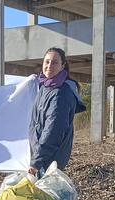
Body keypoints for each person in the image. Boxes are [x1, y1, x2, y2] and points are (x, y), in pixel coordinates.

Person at [27, 47, 86, 176]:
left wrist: (36, 161)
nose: (49, 66)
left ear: (62, 66)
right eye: (46, 62)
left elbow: (53, 130)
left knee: (46, 195)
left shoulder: (61, 93)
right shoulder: (44, 87)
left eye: (54, 63)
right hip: (41, 156)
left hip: (50, 160)